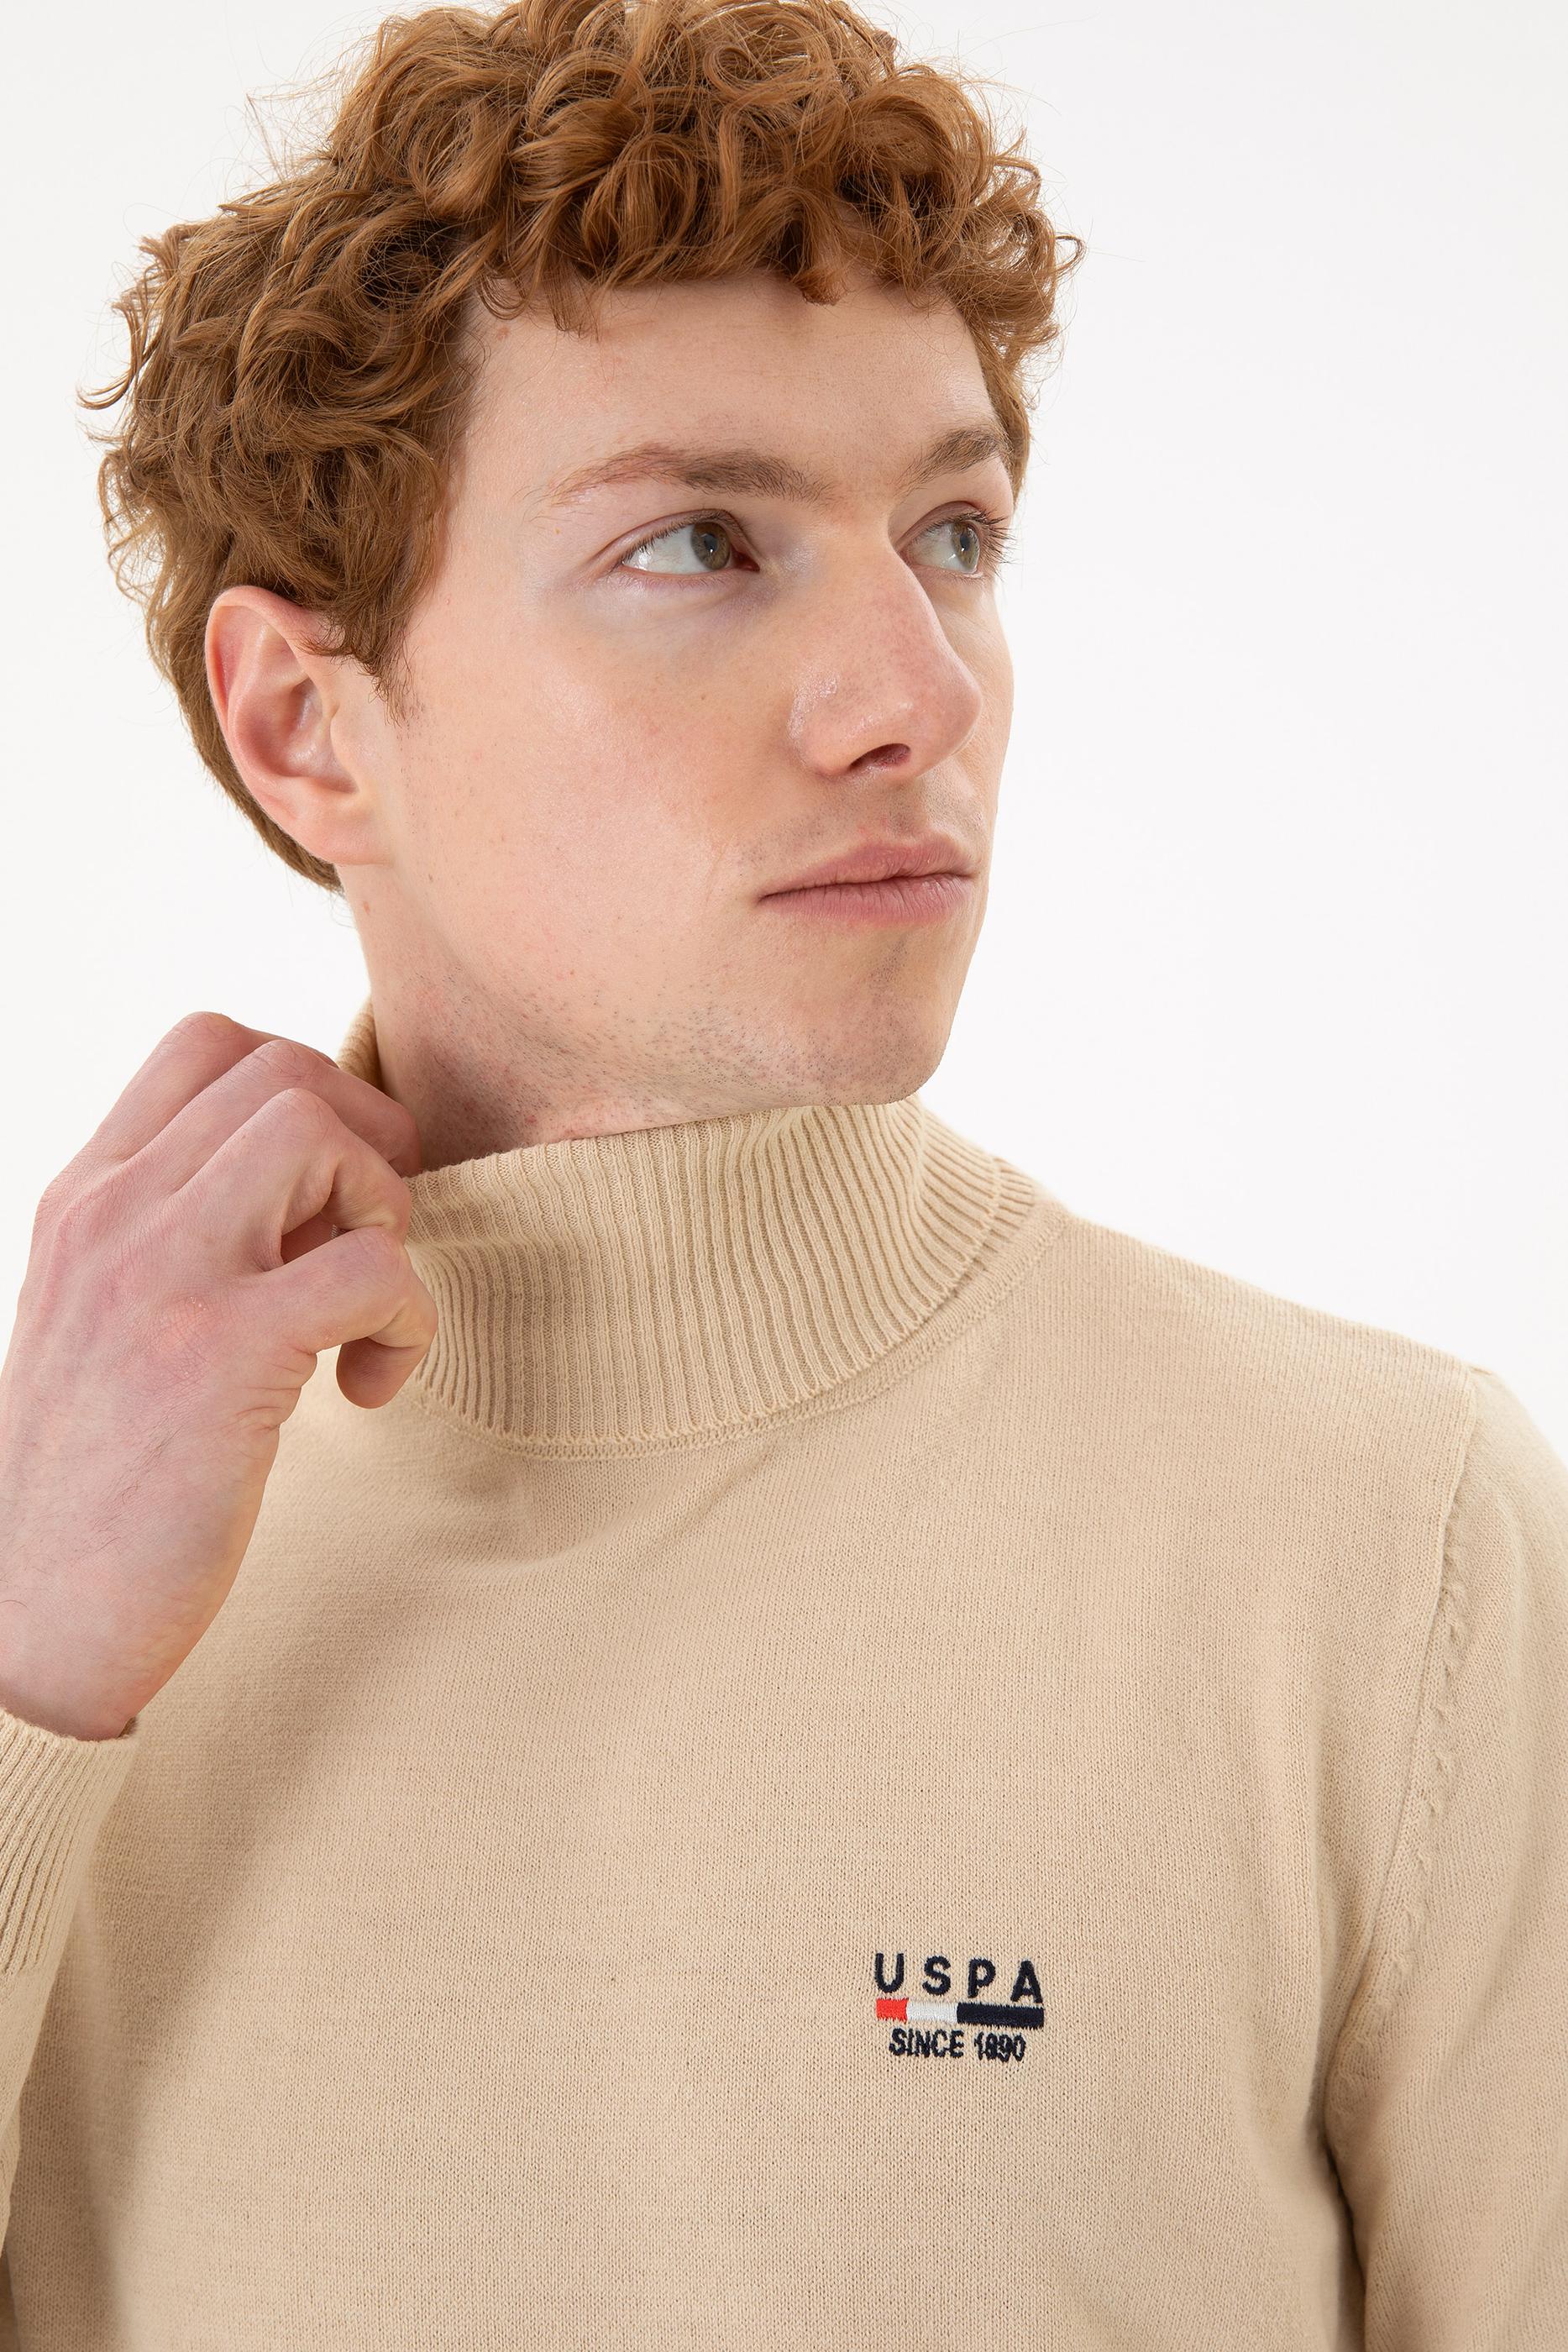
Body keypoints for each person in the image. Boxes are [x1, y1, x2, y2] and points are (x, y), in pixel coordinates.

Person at [1, 0, 1563, 2343]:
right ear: (307, 724)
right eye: (700, 544)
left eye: (954, 534)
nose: (917, 693)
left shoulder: (1378, 1540)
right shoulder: (55, 1579)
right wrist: (29, 1684)